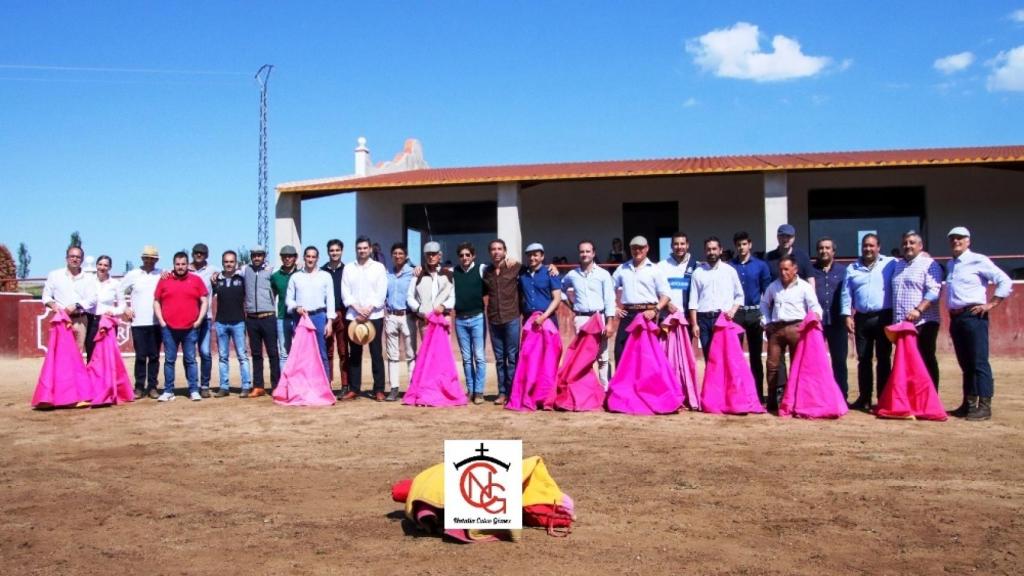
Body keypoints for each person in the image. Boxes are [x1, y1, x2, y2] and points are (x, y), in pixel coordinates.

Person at [945, 226, 1012, 421]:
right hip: (956, 317)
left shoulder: (978, 260)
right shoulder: (950, 264)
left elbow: (1004, 281)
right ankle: (969, 403)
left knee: (979, 362)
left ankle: (984, 405)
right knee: (965, 363)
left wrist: (991, 304)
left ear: (968, 241)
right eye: (953, 238)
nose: (956, 241)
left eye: (960, 238)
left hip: (974, 315)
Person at [760, 256, 823, 412]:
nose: (783, 272)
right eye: (781, 269)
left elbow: (815, 306)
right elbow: (764, 304)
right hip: (776, 328)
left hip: (797, 328)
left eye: (786, 269)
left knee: (798, 365)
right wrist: (766, 321)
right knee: (772, 365)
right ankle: (774, 399)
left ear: (795, 269)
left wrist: (814, 318)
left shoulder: (804, 287)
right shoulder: (773, 286)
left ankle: (797, 399)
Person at [841, 233, 895, 411]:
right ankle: (864, 398)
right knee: (863, 359)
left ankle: (883, 398)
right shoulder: (852, 268)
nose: (868, 249)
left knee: (883, 358)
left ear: (879, 247)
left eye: (871, 245)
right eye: (865, 245)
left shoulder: (891, 263)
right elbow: (846, 293)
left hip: (883, 317)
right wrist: (847, 315)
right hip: (862, 318)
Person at [153, 251, 209, 402]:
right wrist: (162, 321)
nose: (180, 267)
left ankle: (194, 390)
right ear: (173, 265)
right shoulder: (164, 280)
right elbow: (156, 301)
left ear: (187, 264)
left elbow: (204, 301)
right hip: (169, 328)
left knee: (190, 360)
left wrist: (199, 320)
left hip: (190, 328)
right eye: (177, 264)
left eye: (183, 264)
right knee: (169, 361)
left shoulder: (196, 280)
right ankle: (168, 390)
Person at [560, 240, 616, 387]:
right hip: (581, 318)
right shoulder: (572, 274)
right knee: (583, 355)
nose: (584, 254)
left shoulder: (603, 274)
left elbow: (609, 299)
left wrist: (610, 323)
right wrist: (570, 304)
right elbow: (561, 289)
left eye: (587, 251)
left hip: (599, 317)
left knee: (602, 355)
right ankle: (586, 389)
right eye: (582, 251)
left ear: (593, 253)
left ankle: (604, 388)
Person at [892, 231, 943, 389]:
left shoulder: (929, 264)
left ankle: (931, 396)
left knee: (925, 359)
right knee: (906, 362)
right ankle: (912, 396)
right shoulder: (898, 265)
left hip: (924, 322)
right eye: (905, 243)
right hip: (903, 324)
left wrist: (918, 310)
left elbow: (934, 290)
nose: (908, 246)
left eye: (912, 242)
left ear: (920, 246)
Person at [407, 241, 456, 399]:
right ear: (424, 256)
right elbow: (410, 297)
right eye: (428, 254)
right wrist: (419, 310)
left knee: (443, 356)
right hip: (426, 321)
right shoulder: (418, 274)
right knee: (428, 355)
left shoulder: (448, 274)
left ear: (440, 255)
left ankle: (443, 389)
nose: (431, 257)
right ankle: (429, 389)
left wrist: (444, 305)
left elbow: (452, 297)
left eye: (434, 254)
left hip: (443, 320)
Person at [341, 236, 388, 401]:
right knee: (354, 353)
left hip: (374, 315)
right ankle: (354, 389)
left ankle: (379, 389)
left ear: (370, 249)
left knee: (376, 353)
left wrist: (369, 309)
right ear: (356, 249)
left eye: (365, 248)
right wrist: (357, 308)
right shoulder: (349, 268)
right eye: (359, 248)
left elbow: (381, 292)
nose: (362, 251)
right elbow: (345, 292)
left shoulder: (379, 268)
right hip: (353, 316)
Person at [612, 236, 671, 366]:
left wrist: (655, 310)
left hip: (647, 314)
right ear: (630, 249)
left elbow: (666, 294)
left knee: (647, 354)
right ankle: (623, 380)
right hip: (628, 314)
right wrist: (614, 307)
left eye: (641, 248)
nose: (637, 251)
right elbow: (609, 288)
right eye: (634, 248)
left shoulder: (655, 269)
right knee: (620, 351)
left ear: (647, 248)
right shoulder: (622, 268)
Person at [728, 231, 772, 402]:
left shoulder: (761, 265)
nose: (741, 247)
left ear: (750, 245)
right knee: (735, 356)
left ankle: (758, 395)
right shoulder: (730, 266)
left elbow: (767, 292)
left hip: (754, 313)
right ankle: (738, 394)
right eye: (739, 245)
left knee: (755, 356)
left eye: (744, 244)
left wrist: (765, 314)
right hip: (736, 313)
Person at [688, 236, 743, 361]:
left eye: (714, 249)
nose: (711, 252)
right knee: (709, 358)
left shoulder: (730, 271)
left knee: (725, 357)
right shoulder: (698, 273)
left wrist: (732, 311)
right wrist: (695, 324)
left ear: (720, 250)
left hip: (723, 318)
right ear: (705, 251)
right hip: (703, 320)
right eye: (708, 249)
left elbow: (740, 295)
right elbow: (693, 301)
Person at [482, 239, 523, 405]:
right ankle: (502, 392)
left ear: (505, 251)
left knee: (512, 357)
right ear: (490, 253)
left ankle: (514, 392)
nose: (496, 252)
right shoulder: (487, 271)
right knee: (500, 359)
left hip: (511, 317)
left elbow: (535, 270)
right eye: (493, 249)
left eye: (499, 249)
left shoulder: (516, 267)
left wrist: (553, 267)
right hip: (494, 319)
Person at [119, 245, 163, 399]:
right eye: (147, 258)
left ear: (156, 260)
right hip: (138, 322)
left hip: (156, 321)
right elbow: (119, 290)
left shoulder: (161, 274)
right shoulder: (133, 274)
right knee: (140, 356)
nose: (149, 261)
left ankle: (152, 386)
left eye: (152, 258)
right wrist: (125, 308)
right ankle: (139, 387)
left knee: (154, 356)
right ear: (142, 258)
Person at [286, 246, 335, 379]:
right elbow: (289, 299)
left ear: (317, 258)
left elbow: (330, 299)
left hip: (319, 317)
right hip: (301, 318)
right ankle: (303, 385)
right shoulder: (296, 277)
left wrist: (330, 322)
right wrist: (296, 307)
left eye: (313, 257)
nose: (310, 259)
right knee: (301, 354)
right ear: (304, 257)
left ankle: (324, 385)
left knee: (321, 352)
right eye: (308, 256)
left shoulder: (325, 276)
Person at [811, 237, 850, 399]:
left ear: (834, 251)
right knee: (816, 362)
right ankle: (818, 396)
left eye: (827, 248)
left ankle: (841, 396)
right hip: (816, 324)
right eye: (821, 248)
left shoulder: (843, 271)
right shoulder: (810, 271)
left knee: (839, 361)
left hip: (837, 322)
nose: (824, 251)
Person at [42, 245, 96, 354]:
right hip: (61, 320)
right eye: (72, 256)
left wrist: (76, 305)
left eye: (78, 257)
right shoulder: (55, 275)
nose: (75, 259)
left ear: (82, 259)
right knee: (60, 352)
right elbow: (46, 296)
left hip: (80, 319)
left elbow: (92, 299)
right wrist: (53, 306)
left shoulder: (89, 278)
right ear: (66, 258)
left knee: (77, 352)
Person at [211, 250, 252, 397]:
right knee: (223, 356)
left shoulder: (242, 278)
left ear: (236, 263)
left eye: (231, 261)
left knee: (242, 355)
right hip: (221, 322)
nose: (229, 264)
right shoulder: (217, 280)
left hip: (238, 322)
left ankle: (246, 386)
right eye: (226, 262)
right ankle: (224, 387)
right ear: (222, 263)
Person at [241, 245, 279, 396]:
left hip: (268, 316)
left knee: (273, 353)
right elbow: (228, 272)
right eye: (254, 255)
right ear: (251, 256)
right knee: (256, 354)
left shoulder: (272, 270)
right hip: (251, 318)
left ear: (264, 256)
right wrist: (216, 275)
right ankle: (258, 386)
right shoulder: (245, 270)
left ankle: (276, 386)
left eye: (259, 255)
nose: (257, 258)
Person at [453, 242, 488, 404]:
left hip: (477, 318)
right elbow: (434, 270)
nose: (465, 258)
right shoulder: (454, 272)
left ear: (473, 256)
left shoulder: (481, 269)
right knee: (467, 358)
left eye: (468, 255)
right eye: (461, 255)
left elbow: (500, 267)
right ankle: (471, 390)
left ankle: (479, 391)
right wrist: (418, 268)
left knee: (479, 357)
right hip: (460, 319)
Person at [385, 243, 418, 402]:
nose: (397, 256)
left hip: (407, 316)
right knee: (392, 355)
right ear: (392, 255)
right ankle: (394, 388)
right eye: (395, 253)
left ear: (405, 256)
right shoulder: (387, 273)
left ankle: (412, 387)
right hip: (391, 316)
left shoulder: (413, 272)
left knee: (410, 354)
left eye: (400, 253)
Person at [188, 243, 218, 397]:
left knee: (205, 352)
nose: (199, 255)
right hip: (187, 318)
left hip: (205, 317)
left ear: (207, 255)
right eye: (196, 252)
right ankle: (192, 385)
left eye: (202, 253)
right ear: (192, 254)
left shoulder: (212, 270)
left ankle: (205, 385)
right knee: (189, 354)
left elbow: (228, 274)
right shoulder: (184, 269)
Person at [321, 239, 349, 395]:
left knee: (343, 351)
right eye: (332, 250)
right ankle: (327, 383)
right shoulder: (321, 271)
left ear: (342, 251)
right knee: (328, 351)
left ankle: (345, 385)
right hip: (326, 315)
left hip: (343, 314)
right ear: (328, 252)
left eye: (337, 250)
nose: (334, 253)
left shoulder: (347, 270)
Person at [84, 255, 123, 362]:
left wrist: (113, 311)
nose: (102, 267)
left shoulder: (115, 284)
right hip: (91, 320)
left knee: (107, 355)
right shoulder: (88, 281)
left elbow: (122, 305)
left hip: (107, 322)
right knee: (91, 353)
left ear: (110, 267)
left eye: (106, 265)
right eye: (100, 264)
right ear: (96, 265)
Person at [519, 243, 562, 328]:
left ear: (542, 257)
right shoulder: (522, 274)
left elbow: (557, 298)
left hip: (548, 318)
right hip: (529, 318)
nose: (532, 258)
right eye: (529, 255)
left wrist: (543, 317)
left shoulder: (551, 273)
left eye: (535, 255)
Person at [658, 232, 698, 321]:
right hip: (667, 317)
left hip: (688, 318)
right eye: (676, 244)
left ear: (687, 245)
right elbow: (655, 290)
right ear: (671, 246)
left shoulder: (696, 266)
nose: (679, 247)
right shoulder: (661, 266)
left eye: (682, 244)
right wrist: (666, 304)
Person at [271, 245, 299, 370]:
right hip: (282, 317)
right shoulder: (275, 276)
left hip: (299, 318)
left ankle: (298, 379)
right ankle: (284, 381)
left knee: (300, 352)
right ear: (281, 258)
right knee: (284, 353)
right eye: (284, 256)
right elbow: (271, 296)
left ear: (295, 258)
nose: (287, 259)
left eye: (290, 256)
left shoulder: (301, 274)